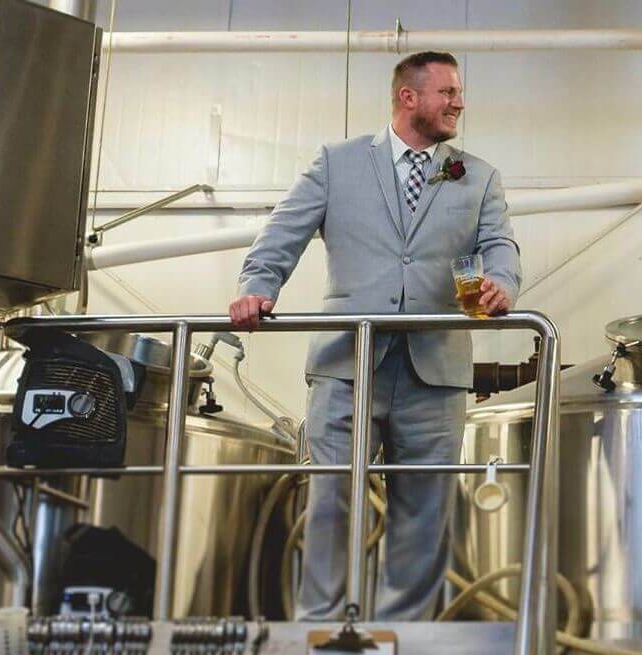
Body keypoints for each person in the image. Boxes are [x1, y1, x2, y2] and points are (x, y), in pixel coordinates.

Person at [227, 51, 521, 621]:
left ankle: (403, 635)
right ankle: (321, 628)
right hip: (347, 363)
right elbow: (281, 233)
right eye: (447, 92)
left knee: (425, 510)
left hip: (434, 370)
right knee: (332, 500)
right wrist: (257, 287)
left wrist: (501, 283)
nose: (459, 102)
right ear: (407, 97)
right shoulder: (337, 163)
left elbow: (500, 244)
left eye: (459, 93)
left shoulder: (478, 175)